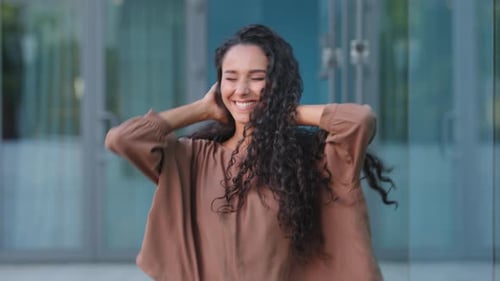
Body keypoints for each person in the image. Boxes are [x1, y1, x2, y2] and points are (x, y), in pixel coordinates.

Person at [105, 24, 396, 281]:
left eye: (256, 77)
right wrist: (201, 109)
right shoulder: (193, 158)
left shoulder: (309, 160)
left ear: (277, 84)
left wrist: (280, 110)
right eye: (230, 78)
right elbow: (123, 139)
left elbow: (359, 121)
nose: (242, 90)